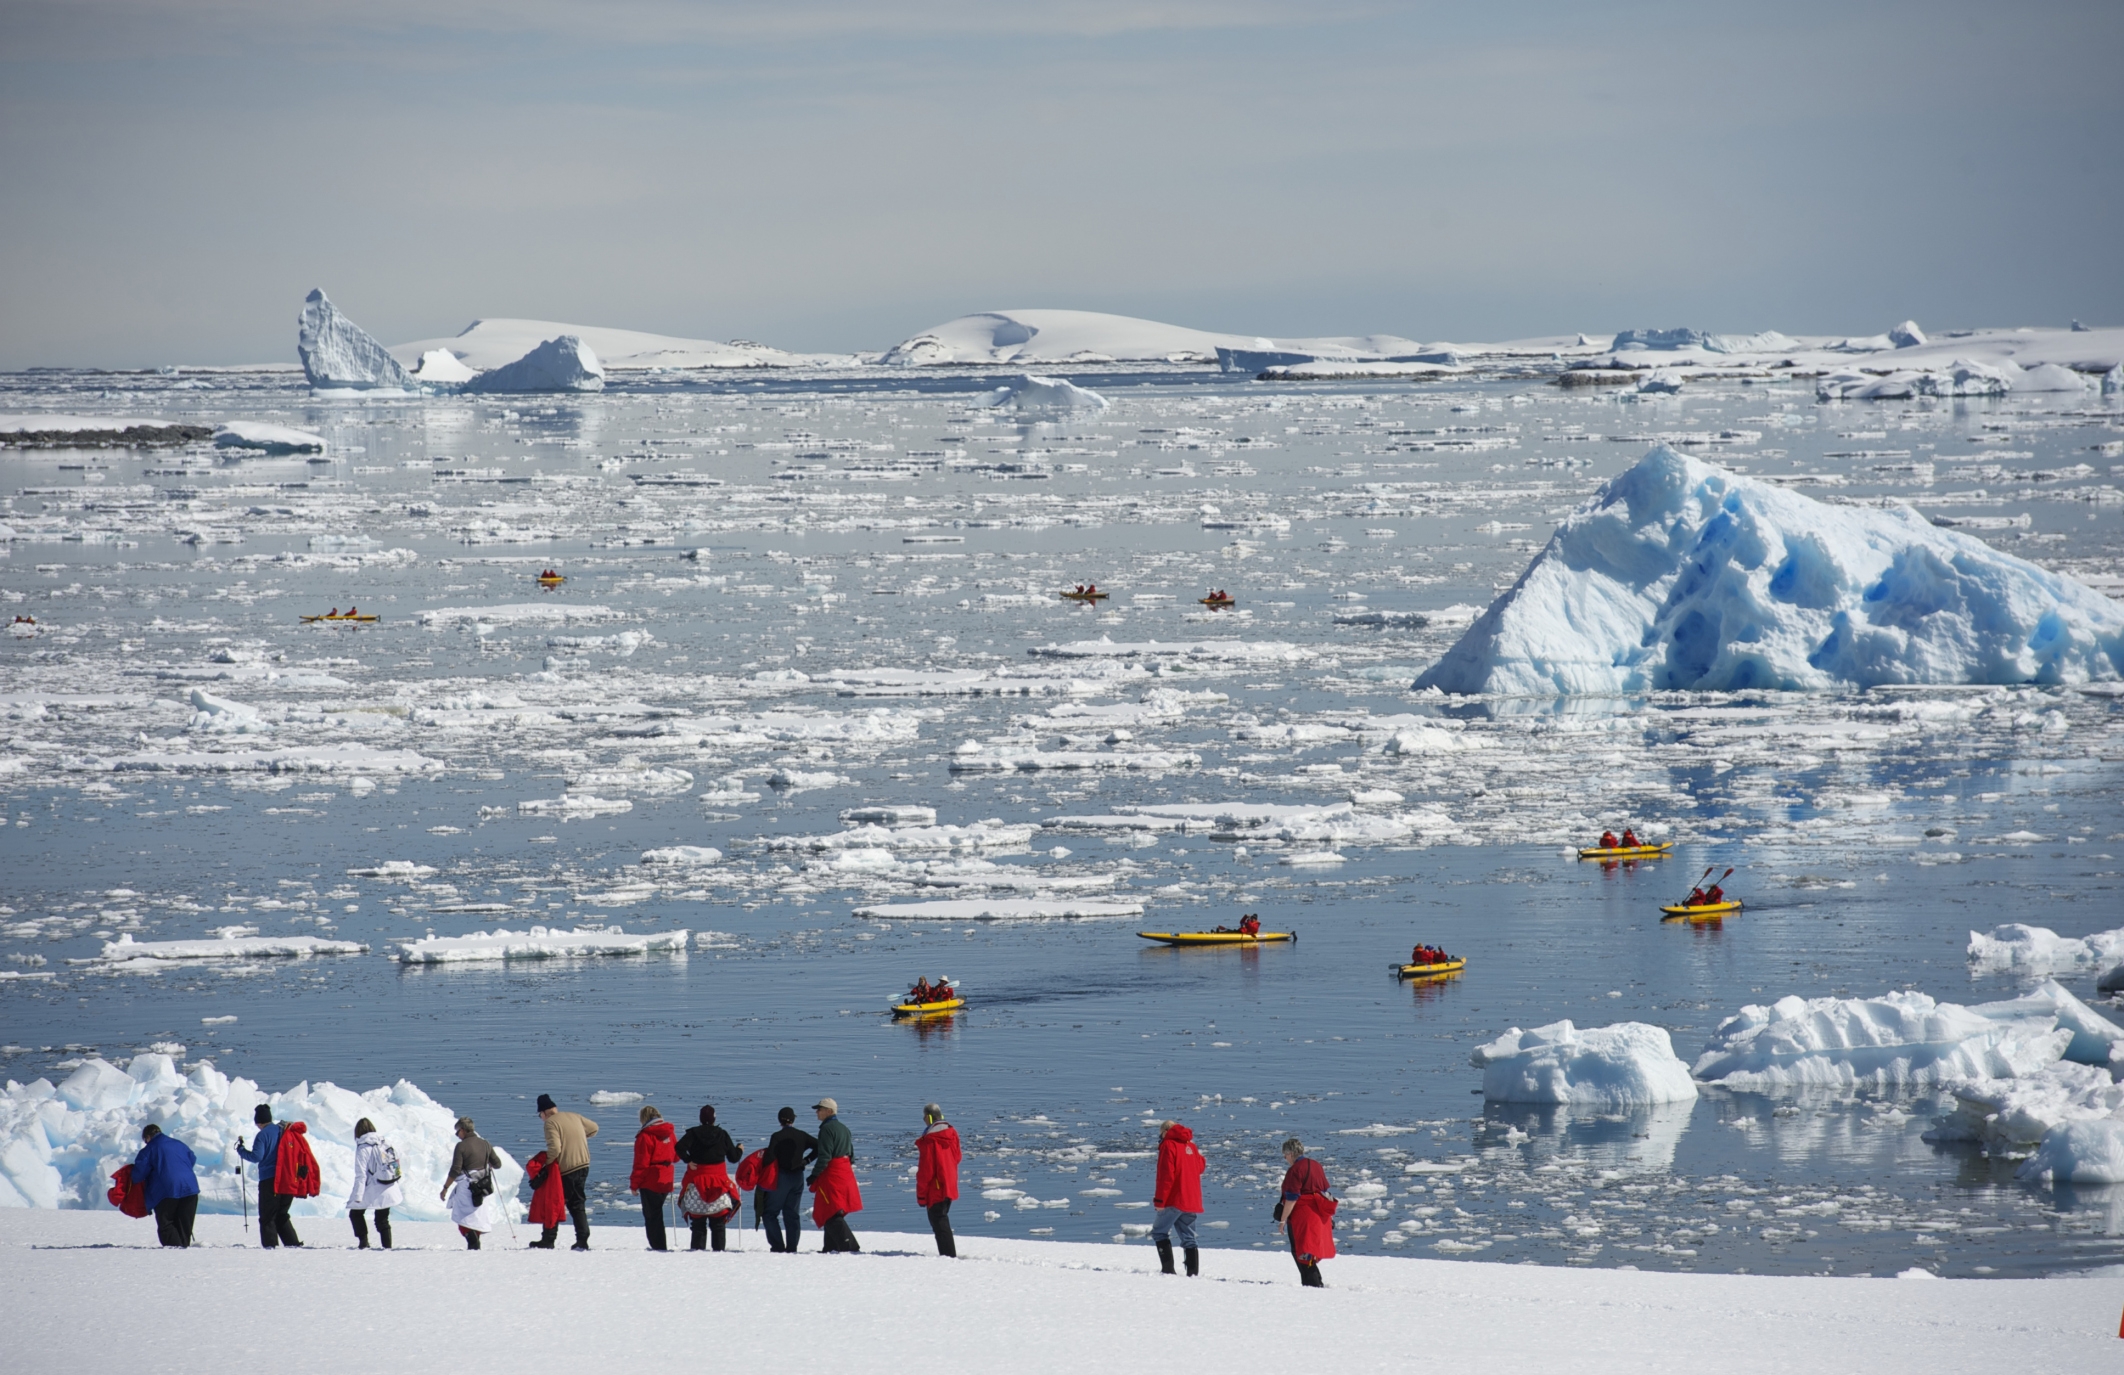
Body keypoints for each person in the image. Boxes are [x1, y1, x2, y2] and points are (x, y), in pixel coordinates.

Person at [536, 1093, 598, 1251]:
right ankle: (582, 1239)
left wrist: (546, 1166)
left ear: (544, 1113)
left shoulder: (550, 1123)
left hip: (567, 1168)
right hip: (584, 1164)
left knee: (555, 1202)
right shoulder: (574, 1116)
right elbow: (594, 1128)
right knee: (577, 1202)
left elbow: (555, 1148)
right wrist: (576, 1136)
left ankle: (548, 1239)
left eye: (540, 1115)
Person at [677, 1105, 742, 1252]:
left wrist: (688, 1160)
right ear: (714, 1118)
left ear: (700, 1119)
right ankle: (719, 1254)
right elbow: (733, 1158)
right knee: (718, 1224)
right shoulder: (722, 1134)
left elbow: (679, 1147)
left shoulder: (692, 1134)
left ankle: (697, 1254)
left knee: (698, 1224)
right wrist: (739, 1149)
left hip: (696, 1184)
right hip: (719, 1185)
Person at [237, 1104, 301, 1248]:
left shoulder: (263, 1135)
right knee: (282, 1214)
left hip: (270, 1180)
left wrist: (241, 1150)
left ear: (258, 1122)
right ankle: (293, 1245)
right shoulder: (283, 1130)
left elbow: (256, 1156)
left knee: (268, 1217)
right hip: (288, 1178)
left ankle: (270, 1247)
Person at [1274, 1137, 1335, 1288]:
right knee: (1310, 1250)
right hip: (1318, 1214)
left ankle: (1312, 1285)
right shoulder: (1316, 1165)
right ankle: (1315, 1282)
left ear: (1291, 1153)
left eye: (1285, 1155)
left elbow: (1292, 1197)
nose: (1285, 1158)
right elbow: (1325, 1191)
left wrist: (1283, 1220)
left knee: (1301, 1251)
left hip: (1302, 1216)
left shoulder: (1295, 1170)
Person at [1152, 1119, 1206, 1278]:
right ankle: (1192, 1273)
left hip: (1174, 1199)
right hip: (1191, 1199)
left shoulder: (1168, 1145)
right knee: (1189, 1237)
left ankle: (1168, 1270)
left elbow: (1166, 1176)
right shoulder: (1191, 1146)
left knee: (1159, 1232)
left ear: (1165, 1132)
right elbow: (1200, 1167)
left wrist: (1160, 1201)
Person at [808, 1097, 862, 1254]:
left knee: (831, 1211)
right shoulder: (844, 1128)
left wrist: (814, 1175)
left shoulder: (826, 1129)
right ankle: (830, 1247)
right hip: (845, 1172)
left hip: (832, 1173)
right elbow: (851, 1155)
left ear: (829, 1111)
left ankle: (850, 1246)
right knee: (832, 1210)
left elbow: (825, 1156)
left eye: (820, 1109)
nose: (817, 1112)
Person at [133, 1123, 199, 1248]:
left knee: (166, 1223)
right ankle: (184, 1251)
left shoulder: (149, 1149)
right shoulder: (179, 1144)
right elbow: (192, 1158)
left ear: (148, 1137)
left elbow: (138, 1174)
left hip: (166, 1191)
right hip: (191, 1189)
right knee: (184, 1222)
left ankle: (174, 1254)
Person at [441, 1117, 503, 1249]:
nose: (457, 1135)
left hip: (467, 1187)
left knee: (464, 1219)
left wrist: (445, 1187)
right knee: (477, 1218)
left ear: (463, 1130)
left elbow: (455, 1170)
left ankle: (473, 1243)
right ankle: (475, 1244)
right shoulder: (485, 1143)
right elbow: (498, 1164)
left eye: (457, 1132)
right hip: (482, 1187)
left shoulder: (461, 1146)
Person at [763, 1106, 815, 1253]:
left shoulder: (777, 1136)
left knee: (770, 1213)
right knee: (792, 1214)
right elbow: (818, 1146)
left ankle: (778, 1246)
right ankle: (792, 1248)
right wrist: (806, 1160)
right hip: (798, 1177)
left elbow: (769, 1159)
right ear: (793, 1119)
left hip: (782, 1177)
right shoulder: (802, 1135)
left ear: (779, 1120)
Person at [347, 1116, 404, 1250]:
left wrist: (358, 1196)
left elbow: (361, 1175)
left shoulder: (363, 1148)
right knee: (382, 1219)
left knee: (355, 1213)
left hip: (373, 1187)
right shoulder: (385, 1143)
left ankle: (363, 1242)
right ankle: (387, 1247)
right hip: (389, 1185)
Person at [915, 1102, 960, 1258]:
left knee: (939, 1222)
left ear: (928, 1117)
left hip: (936, 1187)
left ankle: (948, 1256)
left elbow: (926, 1171)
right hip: (949, 1183)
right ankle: (948, 1255)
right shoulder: (952, 1133)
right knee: (942, 1218)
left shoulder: (930, 1140)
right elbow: (957, 1157)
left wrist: (921, 1195)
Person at [631, 1104, 678, 1252]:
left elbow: (641, 1163)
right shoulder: (670, 1133)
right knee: (657, 1212)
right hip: (666, 1177)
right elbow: (676, 1156)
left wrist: (634, 1184)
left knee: (652, 1216)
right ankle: (660, 1245)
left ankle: (658, 1246)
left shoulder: (645, 1136)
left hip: (651, 1179)